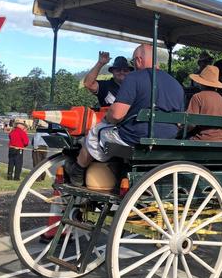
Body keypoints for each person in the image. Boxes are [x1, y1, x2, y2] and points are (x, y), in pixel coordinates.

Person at [65, 44, 184, 185]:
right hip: (167, 139)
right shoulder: (176, 84)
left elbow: (116, 115)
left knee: (95, 133)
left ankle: (78, 171)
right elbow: (180, 121)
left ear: (139, 60)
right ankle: (122, 173)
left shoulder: (134, 78)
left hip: (137, 136)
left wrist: (107, 117)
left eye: (133, 62)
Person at [186, 65, 222, 142]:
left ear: (201, 83)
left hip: (202, 139)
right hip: (221, 140)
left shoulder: (197, 97)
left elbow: (191, 123)